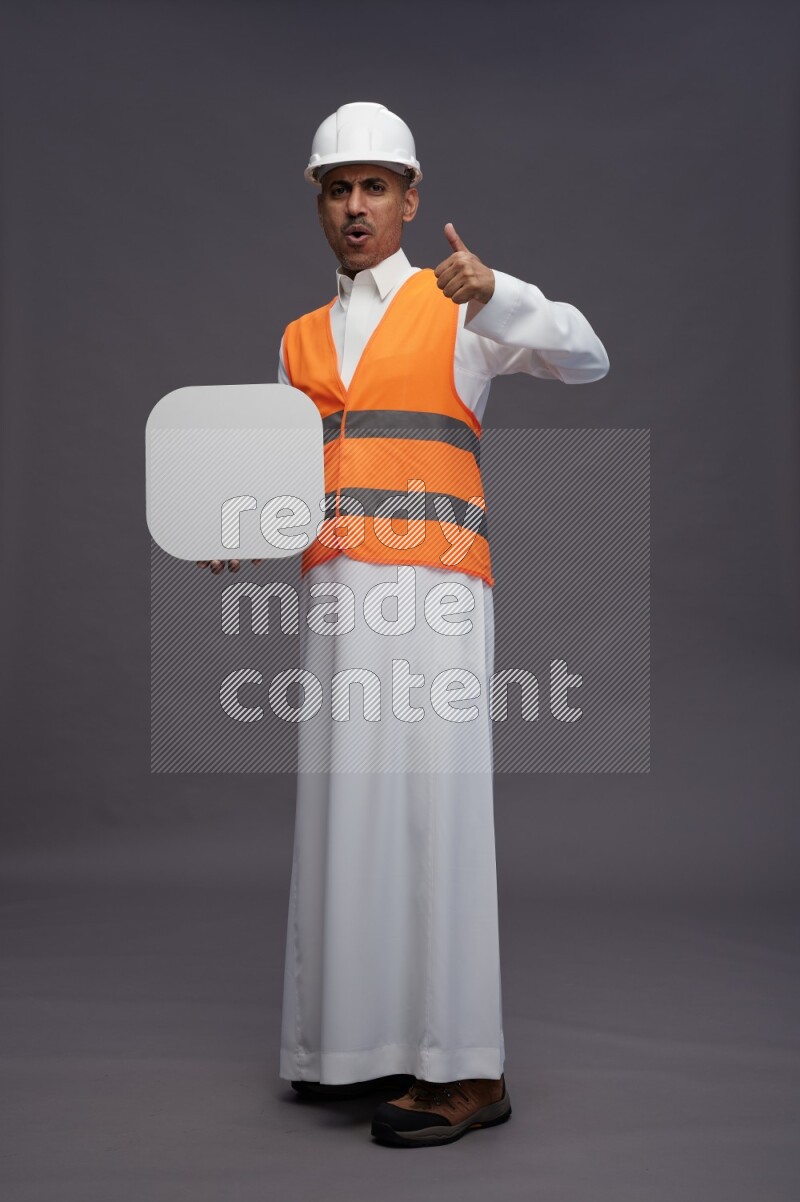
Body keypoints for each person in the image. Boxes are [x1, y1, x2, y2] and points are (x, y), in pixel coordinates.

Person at [201, 101, 609, 1148]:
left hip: (434, 595)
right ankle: (348, 1049)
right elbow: (295, 484)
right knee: (346, 817)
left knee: (436, 815)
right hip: (339, 599)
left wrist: (502, 291)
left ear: (410, 201)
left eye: (374, 187)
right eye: (338, 188)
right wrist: (234, 527)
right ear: (319, 203)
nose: (355, 206)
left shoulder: (457, 301)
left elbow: (588, 358)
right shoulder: (298, 339)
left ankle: (467, 1068)